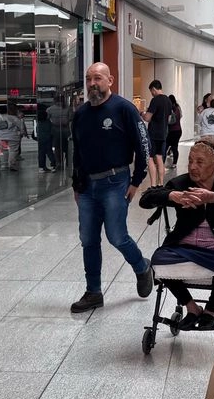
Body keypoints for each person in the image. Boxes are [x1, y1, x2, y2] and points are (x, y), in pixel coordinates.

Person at [139, 137, 214, 330]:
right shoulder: (182, 183)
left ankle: (211, 311)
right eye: (190, 161)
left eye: (200, 162)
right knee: (158, 261)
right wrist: (172, 195)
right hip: (186, 245)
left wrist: (213, 197)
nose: (193, 167)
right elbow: (146, 200)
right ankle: (192, 308)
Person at [69, 62, 154, 313]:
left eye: (97, 78)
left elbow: (143, 145)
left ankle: (142, 267)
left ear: (110, 80)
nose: (92, 83)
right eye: (88, 79)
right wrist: (76, 185)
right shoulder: (81, 114)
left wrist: (136, 181)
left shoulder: (124, 108)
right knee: (88, 239)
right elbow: (77, 152)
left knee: (117, 236)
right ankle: (93, 292)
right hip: (87, 186)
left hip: (115, 182)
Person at [142, 79, 172, 187]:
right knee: (159, 158)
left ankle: (153, 185)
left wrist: (142, 113)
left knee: (150, 158)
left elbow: (147, 118)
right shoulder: (168, 100)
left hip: (153, 134)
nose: (151, 93)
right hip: (163, 133)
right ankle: (161, 184)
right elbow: (169, 119)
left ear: (154, 89)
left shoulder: (155, 100)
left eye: (151, 91)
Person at [0, 102, 26, 171]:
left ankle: (4, 165)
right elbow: (20, 126)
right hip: (13, 137)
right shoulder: (13, 118)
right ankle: (12, 165)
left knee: (3, 151)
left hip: (0, 137)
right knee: (13, 151)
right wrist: (22, 133)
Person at [35, 103, 56, 172]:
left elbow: (37, 131)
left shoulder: (39, 123)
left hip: (41, 139)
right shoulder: (48, 122)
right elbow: (52, 131)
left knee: (41, 153)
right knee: (49, 152)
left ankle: (41, 167)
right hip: (48, 139)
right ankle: (53, 164)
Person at [164, 93, 182, 170]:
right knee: (174, 148)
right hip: (177, 131)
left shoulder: (172, 109)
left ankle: (163, 163)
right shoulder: (178, 108)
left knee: (166, 148)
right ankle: (174, 163)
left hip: (173, 131)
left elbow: (171, 121)